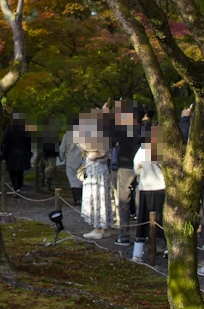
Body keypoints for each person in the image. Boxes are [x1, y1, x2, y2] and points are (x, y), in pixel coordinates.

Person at [109, 100, 146, 247]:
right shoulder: (145, 129)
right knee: (140, 202)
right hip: (143, 168)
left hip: (125, 167)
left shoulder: (121, 129)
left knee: (123, 202)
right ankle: (141, 235)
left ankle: (124, 235)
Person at [74, 109, 116, 239]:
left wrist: (91, 153)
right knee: (101, 196)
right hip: (99, 167)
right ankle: (104, 226)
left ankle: (99, 228)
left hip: (96, 168)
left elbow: (100, 152)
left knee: (97, 196)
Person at [133, 125, 167, 262]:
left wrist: (143, 173)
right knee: (163, 219)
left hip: (146, 187)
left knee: (143, 219)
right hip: (162, 186)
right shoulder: (164, 149)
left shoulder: (142, 150)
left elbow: (136, 167)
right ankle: (168, 248)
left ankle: (137, 253)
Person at [0, 113, 32, 193]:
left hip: (12, 153)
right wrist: (29, 152)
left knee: (13, 171)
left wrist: (4, 155)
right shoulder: (25, 128)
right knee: (20, 171)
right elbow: (29, 142)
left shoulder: (9, 128)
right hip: (22, 152)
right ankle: (19, 186)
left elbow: (5, 141)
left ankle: (16, 187)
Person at [57, 121, 84, 206]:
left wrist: (61, 158)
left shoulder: (67, 135)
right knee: (82, 179)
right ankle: (82, 197)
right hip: (82, 159)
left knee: (73, 180)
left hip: (71, 160)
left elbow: (62, 148)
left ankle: (76, 198)